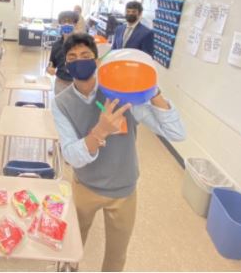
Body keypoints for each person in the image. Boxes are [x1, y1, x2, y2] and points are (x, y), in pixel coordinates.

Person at [52, 33, 185, 272]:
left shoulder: (122, 90)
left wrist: (154, 91)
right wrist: (100, 132)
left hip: (124, 190)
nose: (78, 61)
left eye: (85, 55)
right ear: (65, 64)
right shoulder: (61, 103)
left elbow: (176, 133)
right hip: (85, 186)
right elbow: (71, 155)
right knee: (72, 244)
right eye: (72, 57)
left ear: (97, 61)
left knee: (116, 255)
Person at [47, 11, 78, 95]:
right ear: (60, 24)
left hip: (77, 83)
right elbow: (51, 64)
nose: (67, 24)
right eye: (64, 22)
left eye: (70, 22)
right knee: (60, 106)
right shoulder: (56, 45)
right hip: (60, 83)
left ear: (75, 24)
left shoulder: (81, 44)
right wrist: (49, 69)